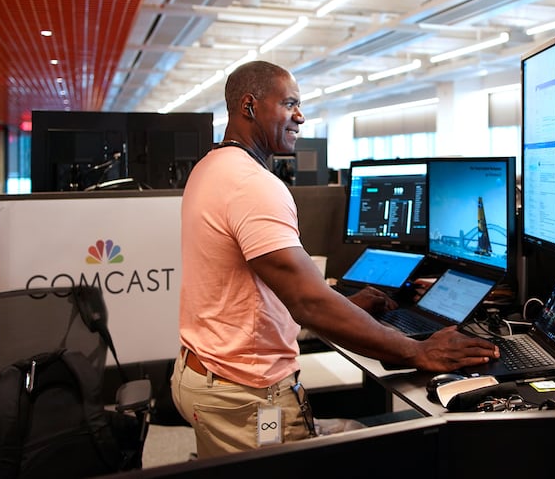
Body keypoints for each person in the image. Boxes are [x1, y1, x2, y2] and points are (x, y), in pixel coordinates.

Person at [170, 60, 499, 459]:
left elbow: (254, 292)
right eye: (289, 103)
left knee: (356, 429)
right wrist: (417, 350)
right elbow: (307, 301)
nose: (300, 116)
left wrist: (344, 306)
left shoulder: (211, 167)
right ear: (249, 106)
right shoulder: (252, 185)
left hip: (206, 375)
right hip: (247, 393)